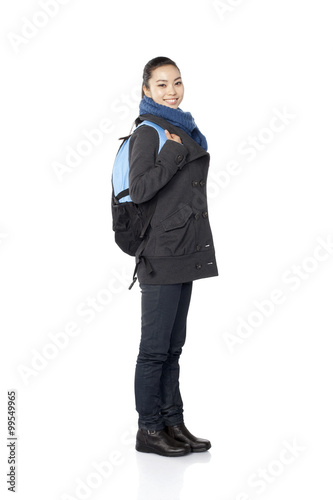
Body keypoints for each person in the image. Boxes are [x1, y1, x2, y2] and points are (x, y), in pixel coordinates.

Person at [128, 56, 219, 457]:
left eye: (177, 82)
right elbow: (140, 190)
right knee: (154, 350)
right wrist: (172, 155)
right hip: (160, 254)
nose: (171, 91)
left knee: (174, 347)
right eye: (161, 84)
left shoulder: (181, 128)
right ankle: (148, 430)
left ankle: (172, 421)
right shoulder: (149, 132)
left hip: (183, 249)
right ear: (146, 90)